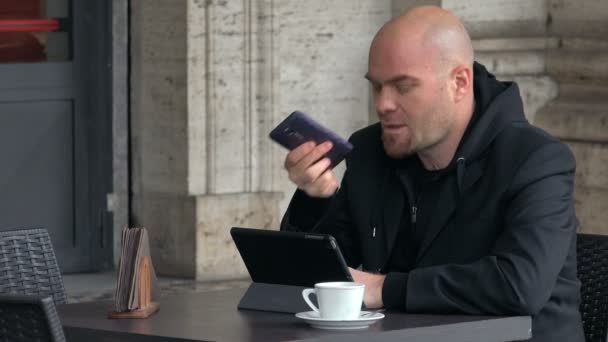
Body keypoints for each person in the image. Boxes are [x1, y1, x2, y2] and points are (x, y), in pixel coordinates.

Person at [279, 5, 584, 342]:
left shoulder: (535, 160)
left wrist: (384, 288)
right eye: (377, 87)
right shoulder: (369, 152)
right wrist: (316, 198)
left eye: (403, 86)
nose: (383, 104)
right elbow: (324, 278)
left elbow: (519, 285)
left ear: (459, 83)